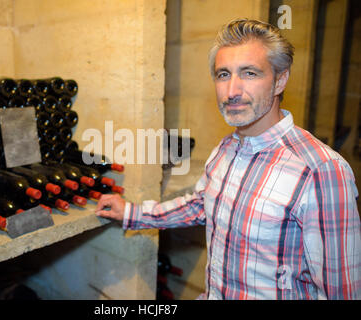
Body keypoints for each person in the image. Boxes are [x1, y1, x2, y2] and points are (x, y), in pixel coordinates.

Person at [95, 19, 361, 300]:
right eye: (223, 74)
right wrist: (132, 213)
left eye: (249, 73)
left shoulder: (320, 170)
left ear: (280, 80)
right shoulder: (226, 149)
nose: (232, 91)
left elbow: (341, 292)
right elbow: (200, 204)